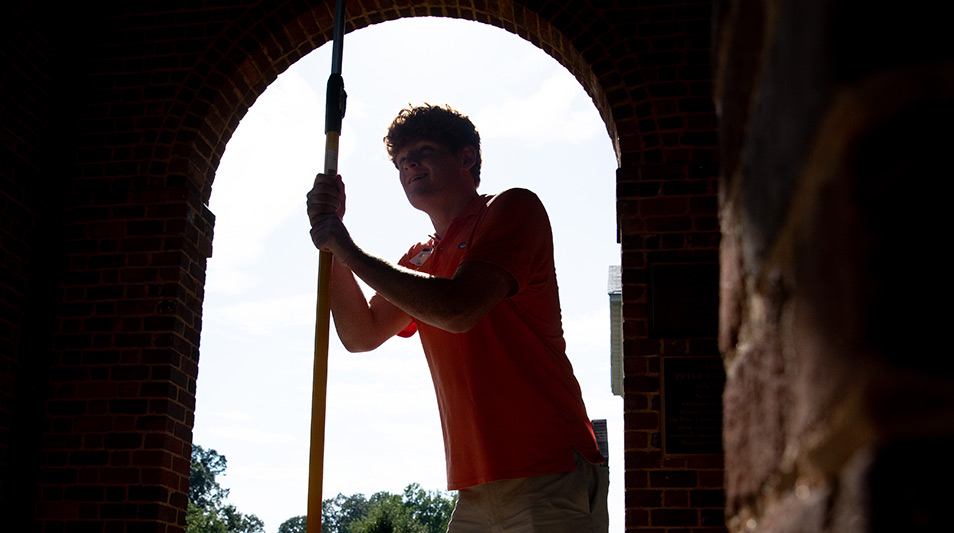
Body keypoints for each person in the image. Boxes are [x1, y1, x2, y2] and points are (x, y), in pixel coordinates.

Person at [307, 104, 608, 532]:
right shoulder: (418, 258)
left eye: (424, 150)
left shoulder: (511, 209)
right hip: (475, 487)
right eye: (400, 159)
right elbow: (361, 334)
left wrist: (348, 248)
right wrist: (332, 245)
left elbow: (458, 308)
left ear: (466, 157)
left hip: (548, 468)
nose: (409, 162)